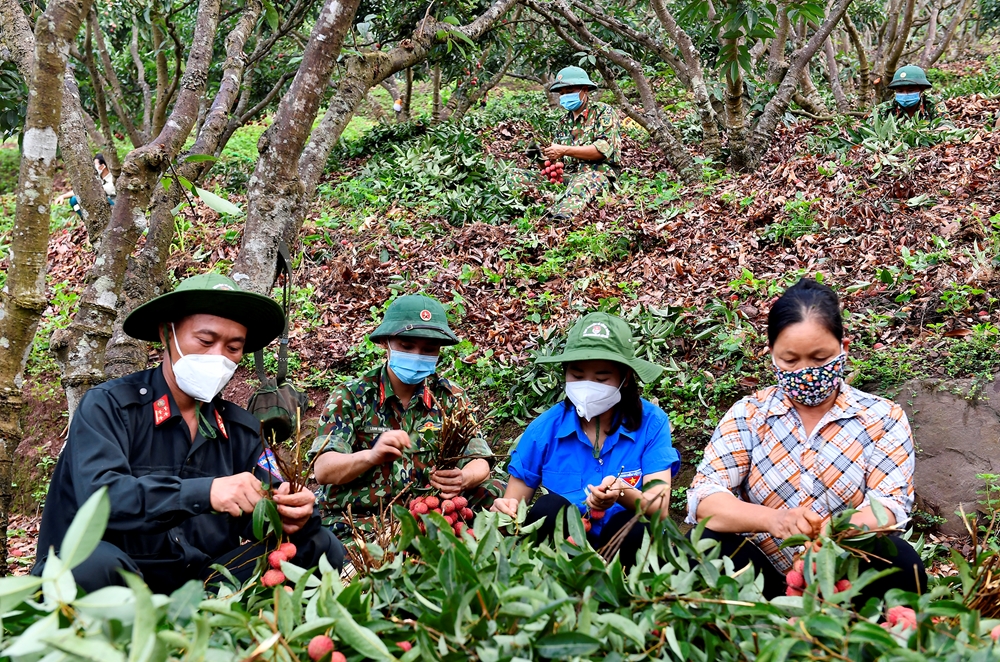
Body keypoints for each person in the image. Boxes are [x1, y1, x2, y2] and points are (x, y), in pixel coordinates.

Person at [31, 273, 345, 594]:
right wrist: (204, 492)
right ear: (168, 333)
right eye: (206, 341)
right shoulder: (110, 408)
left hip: (200, 585)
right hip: (117, 580)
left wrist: (295, 512)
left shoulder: (240, 431)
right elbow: (101, 499)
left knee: (318, 544)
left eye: (234, 347)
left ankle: (236, 625)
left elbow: (268, 508)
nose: (218, 356)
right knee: (88, 563)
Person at [687, 278, 927, 602]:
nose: (807, 372)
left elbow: (889, 506)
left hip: (845, 574)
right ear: (771, 354)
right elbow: (706, 497)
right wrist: (775, 520)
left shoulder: (882, 418)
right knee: (705, 544)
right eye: (791, 360)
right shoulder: (750, 414)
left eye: (819, 358)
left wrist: (832, 535)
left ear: (844, 347)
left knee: (901, 560)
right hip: (761, 578)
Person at [491, 312, 679, 568]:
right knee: (550, 508)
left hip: (625, 548)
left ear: (625, 379)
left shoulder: (652, 424)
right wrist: (505, 510)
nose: (588, 386)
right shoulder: (544, 429)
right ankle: (552, 580)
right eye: (577, 377)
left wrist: (621, 491)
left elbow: (659, 507)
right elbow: (514, 504)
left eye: (602, 379)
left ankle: (629, 592)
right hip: (564, 549)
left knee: (636, 524)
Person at [310, 294, 503, 537]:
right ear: (385, 343)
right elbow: (324, 470)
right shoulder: (351, 397)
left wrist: (463, 478)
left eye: (429, 349)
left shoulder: (449, 396)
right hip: (363, 520)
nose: (418, 355)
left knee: (496, 491)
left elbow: (480, 459)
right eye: (407, 346)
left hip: (430, 514)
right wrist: (371, 456)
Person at [55, 153, 117, 217]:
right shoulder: (99, 179)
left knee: (84, 197)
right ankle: (87, 221)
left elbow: (90, 191)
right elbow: (83, 190)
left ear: (102, 166)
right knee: (74, 200)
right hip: (102, 207)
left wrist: (64, 196)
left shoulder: (113, 180)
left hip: (115, 209)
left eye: (95, 165)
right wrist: (63, 196)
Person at [879, 65, 949, 122]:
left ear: (922, 89)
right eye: (900, 91)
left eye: (910, 90)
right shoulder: (884, 109)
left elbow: (947, 124)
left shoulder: (933, 102)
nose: (905, 94)